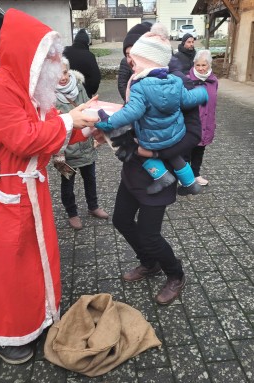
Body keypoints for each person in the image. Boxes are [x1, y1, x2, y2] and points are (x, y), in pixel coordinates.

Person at [0, 8, 98, 364]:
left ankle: (33, 319)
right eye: (50, 54)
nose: (58, 61)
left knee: (32, 261)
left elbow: (52, 133)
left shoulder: (34, 91)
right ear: (29, 54)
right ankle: (4, 335)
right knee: (6, 266)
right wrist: (71, 119)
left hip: (26, 189)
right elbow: (25, 139)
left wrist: (89, 129)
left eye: (56, 53)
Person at [93, 25, 203, 306]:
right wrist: (109, 132)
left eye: (133, 55)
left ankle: (175, 273)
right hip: (133, 168)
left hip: (161, 172)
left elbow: (193, 134)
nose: (130, 61)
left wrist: (154, 153)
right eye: (126, 55)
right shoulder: (136, 80)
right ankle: (149, 263)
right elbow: (134, 118)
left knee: (149, 233)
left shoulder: (176, 83)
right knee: (120, 220)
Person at [96, 28, 208, 196]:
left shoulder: (139, 87)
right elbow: (187, 99)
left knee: (141, 152)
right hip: (176, 135)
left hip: (152, 139)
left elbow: (131, 112)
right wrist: (202, 94)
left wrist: (108, 121)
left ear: (144, 62)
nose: (132, 65)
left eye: (135, 61)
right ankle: (190, 183)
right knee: (176, 158)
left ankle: (162, 177)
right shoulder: (176, 81)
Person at [53, 57, 108, 230]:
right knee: (67, 184)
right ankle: (72, 213)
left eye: (64, 72)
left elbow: (88, 108)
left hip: (85, 143)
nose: (62, 77)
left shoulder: (78, 86)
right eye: (56, 73)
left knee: (90, 178)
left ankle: (93, 206)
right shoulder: (48, 95)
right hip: (66, 149)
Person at [188, 49, 218, 186]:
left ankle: (196, 175)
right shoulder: (187, 80)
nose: (200, 68)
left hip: (206, 123)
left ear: (209, 65)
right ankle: (185, 177)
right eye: (198, 65)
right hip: (191, 123)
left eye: (203, 65)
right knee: (187, 151)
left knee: (200, 151)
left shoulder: (214, 81)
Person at [118, 22, 152, 102]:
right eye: (128, 55)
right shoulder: (125, 63)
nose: (132, 60)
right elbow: (122, 84)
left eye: (136, 54)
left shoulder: (170, 78)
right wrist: (130, 102)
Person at [63, 28, 101, 98]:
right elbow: (96, 78)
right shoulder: (89, 56)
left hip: (64, 93)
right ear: (87, 42)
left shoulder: (65, 51)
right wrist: (91, 91)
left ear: (75, 40)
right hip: (84, 95)